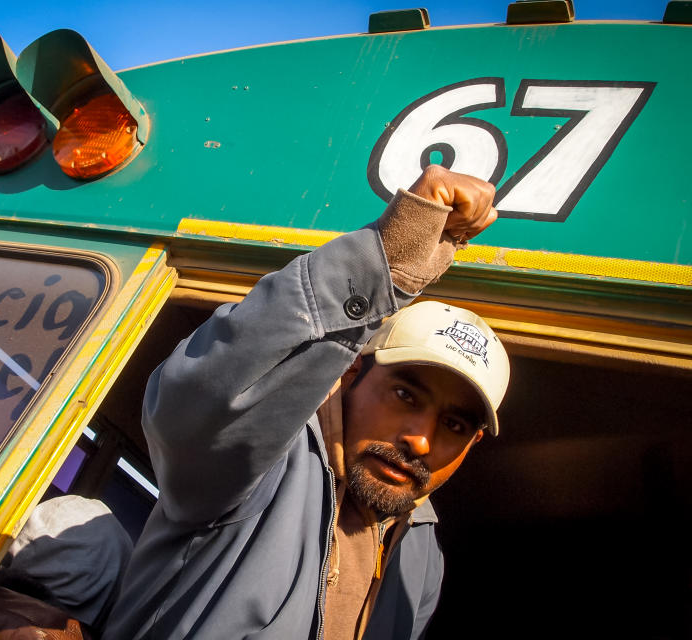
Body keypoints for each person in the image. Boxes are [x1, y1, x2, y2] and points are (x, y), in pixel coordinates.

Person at [102, 165, 509, 640]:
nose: (420, 440)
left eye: (455, 426)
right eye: (404, 394)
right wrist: (388, 263)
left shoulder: (421, 556)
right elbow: (202, 401)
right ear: (354, 372)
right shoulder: (257, 467)